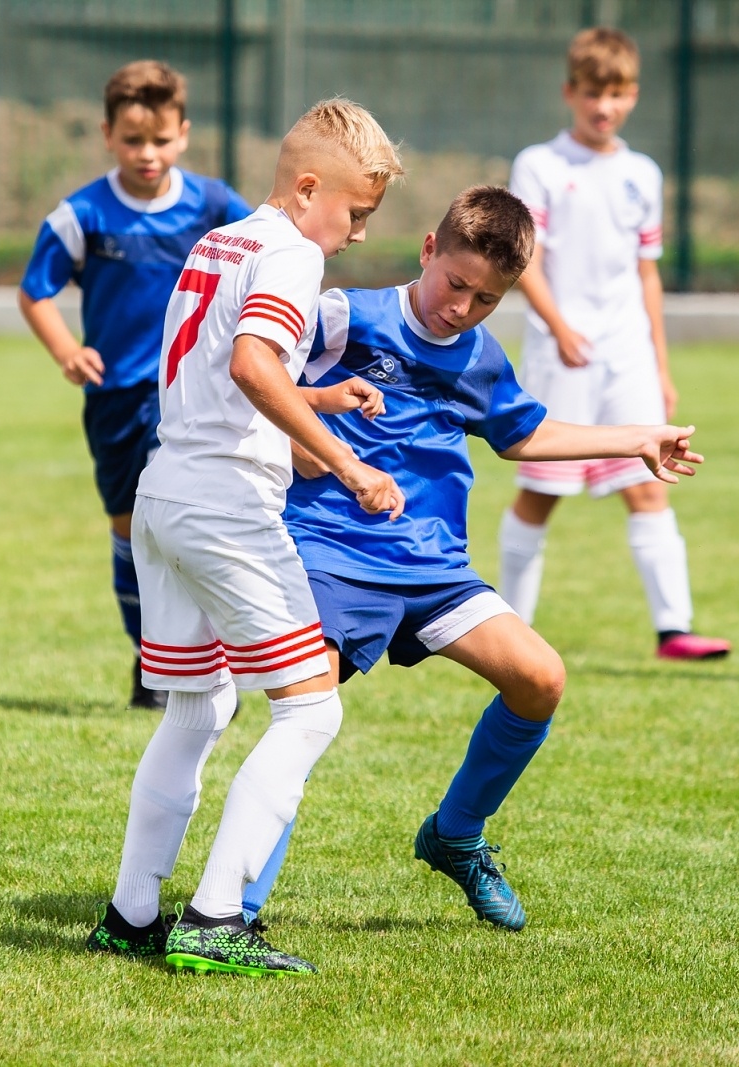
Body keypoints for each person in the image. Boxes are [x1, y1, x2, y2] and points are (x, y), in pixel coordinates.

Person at [252, 186, 701, 932]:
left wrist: (637, 437)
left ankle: (456, 834)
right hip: (332, 553)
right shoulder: (342, 317)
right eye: (455, 284)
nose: (461, 308)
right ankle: (236, 910)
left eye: (486, 299)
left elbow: (524, 434)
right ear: (429, 249)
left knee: (540, 678)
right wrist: (304, 443)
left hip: (434, 566)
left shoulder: (480, 356)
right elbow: (260, 382)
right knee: (305, 713)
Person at [85, 99, 405, 976]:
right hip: (226, 506)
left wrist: (318, 400)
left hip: (166, 490)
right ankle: (215, 918)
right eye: (355, 212)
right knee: (311, 707)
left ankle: (131, 914)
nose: (358, 234)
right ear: (307, 188)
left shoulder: (220, 240)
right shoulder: (295, 253)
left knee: (199, 707)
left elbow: (224, 366)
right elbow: (253, 362)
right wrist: (347, 464)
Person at [18, 60, 253, 709]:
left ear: (184, 134)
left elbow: (265, 253)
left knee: (186, 520)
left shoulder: (213, 205)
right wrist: (67, 349)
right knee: (130, 532)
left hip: (194, 395)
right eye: (132, 140)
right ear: (107, 135)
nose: (147, 153)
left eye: (160, 140)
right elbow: (35, 291)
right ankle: (151, 657)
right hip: (117, 399)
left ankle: (208, 661)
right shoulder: (83, 215)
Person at [495, 27, 730, 661]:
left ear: (634, 95)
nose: (605, 107)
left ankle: (674, 630)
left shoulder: (641, 173)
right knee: (541, 490)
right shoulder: (539, 165)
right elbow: (525, 260)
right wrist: (560, 327)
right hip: (562, 353)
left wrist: (660, 366)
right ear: (569, 92)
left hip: (627, 355)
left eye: (618, 93)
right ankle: (508, 629)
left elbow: (646, 273)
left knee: (649, 483)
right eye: (594, 93)